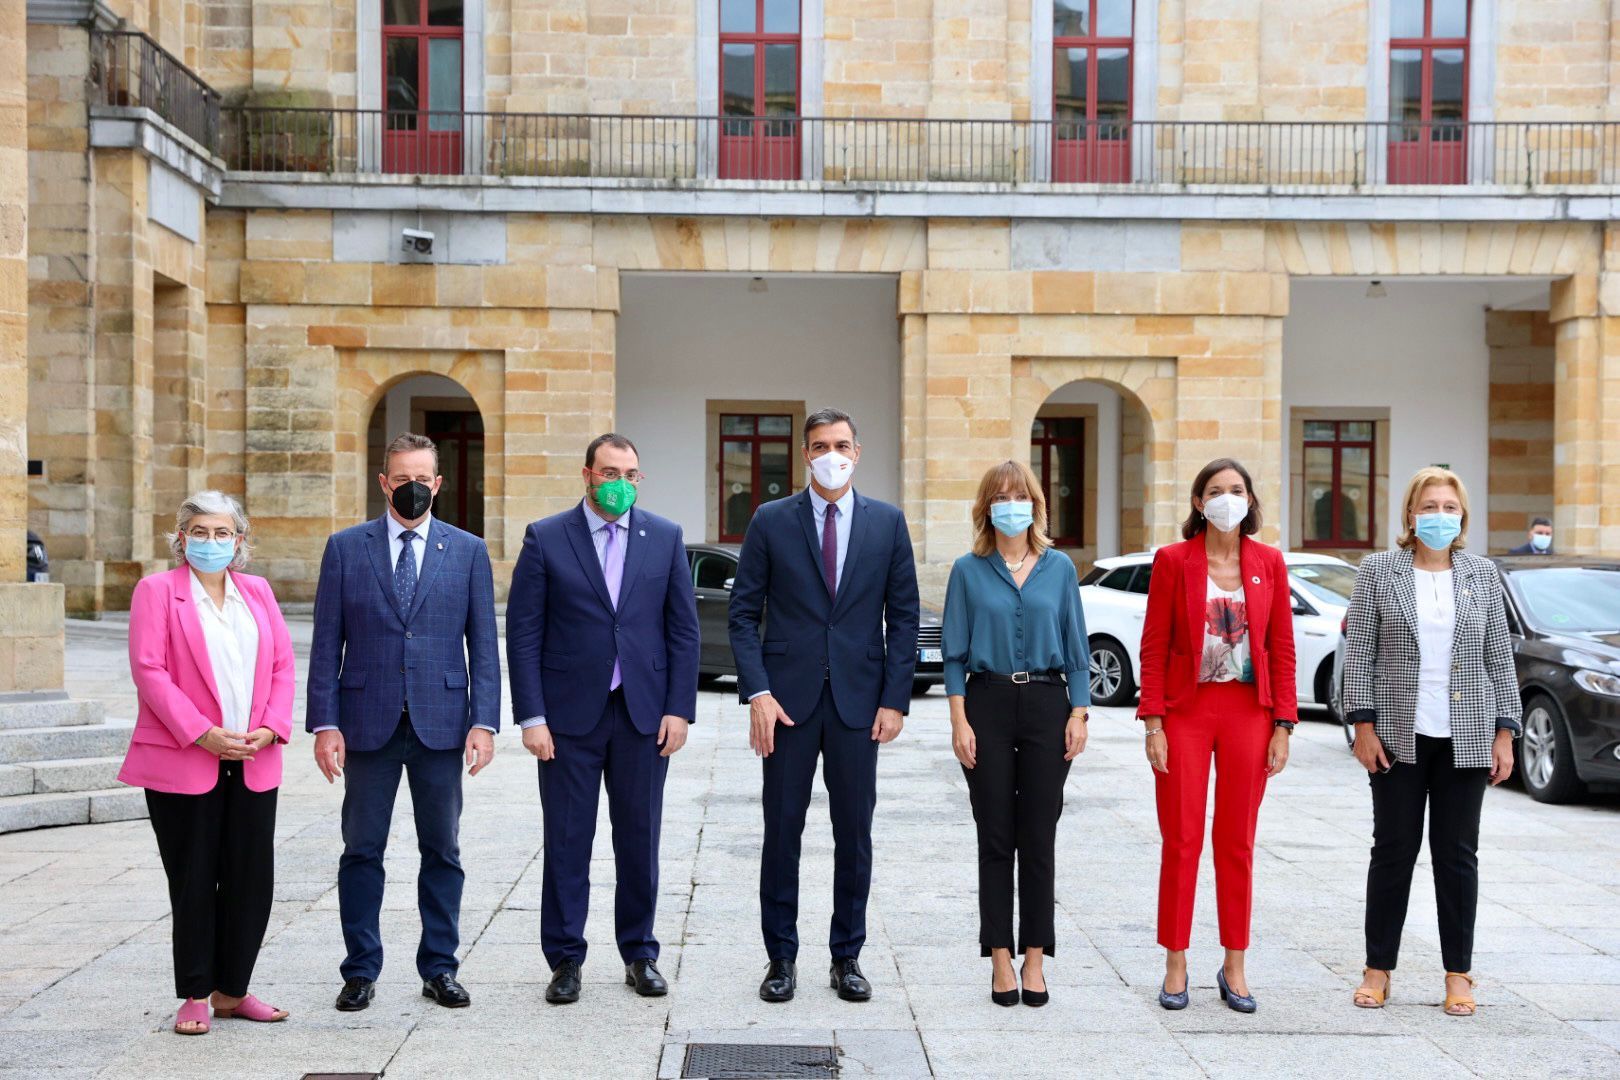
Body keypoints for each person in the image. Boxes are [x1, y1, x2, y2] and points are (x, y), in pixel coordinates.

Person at [729, 407, 920, 1004]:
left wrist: (895, 700)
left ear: (857, 452)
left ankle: (847, 956)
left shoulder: (886, 523)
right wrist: (757, 691)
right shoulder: (771, 519)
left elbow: (905, 616)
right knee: (781, 831)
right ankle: (780, 958)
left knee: (853, 835)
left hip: (859, 705)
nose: (830, 454)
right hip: (786, 704)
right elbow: (743, 614)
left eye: (841, 444)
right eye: (819, 446)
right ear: (805, 455)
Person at [307, 432, 500, 1013]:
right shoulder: (346, 549)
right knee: (362, 850)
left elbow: (484, 646)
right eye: (401, 478)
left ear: (437, 484)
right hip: (366, 724)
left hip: (442, 724)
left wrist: (484, 721)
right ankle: (360, 970)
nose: (412, 487)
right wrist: (324, 723)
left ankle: (439, 968)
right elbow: (325, 645)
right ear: (384, 482)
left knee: (442, 850)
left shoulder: (467, 551)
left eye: (423, 478)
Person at [506, 433, 700, 1005]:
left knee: (639, 839)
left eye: (631, 474)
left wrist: (679, 708)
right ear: (587, 474)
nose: (621, 483)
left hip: (643, 715)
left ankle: (640, 953)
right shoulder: (546, 538)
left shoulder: (663, 537)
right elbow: (523, 632)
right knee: (568, 840)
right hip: (568, 719)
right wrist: (531, 716)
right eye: (610, 471)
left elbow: (682, 630)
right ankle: (565, 959)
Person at [1344, 467, 1520, 1017]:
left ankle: (1458, 974)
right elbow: (1361, 654)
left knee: (1457, 855)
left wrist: (1506, 732)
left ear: (1462, 516)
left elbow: (1499, 657)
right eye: (1429, 506)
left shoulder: (1483, 575)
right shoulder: (1378, 571)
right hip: (1398, 734)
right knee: (1392, 852)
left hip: (1467, 736)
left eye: (1449, 507)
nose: (1439, 516)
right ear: (1410, 514)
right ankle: (1378, 969)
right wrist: (1363, 726)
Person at [121, 492, 294, 1035]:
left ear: (239, 541)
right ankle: (196, 993)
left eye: (222, 533)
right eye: (199, 532)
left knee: (251, 878)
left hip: (253, 756)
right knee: (194, 878)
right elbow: (150, 672)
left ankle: (233, 990)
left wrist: (270, 728)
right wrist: (203, 734)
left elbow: (284, 665)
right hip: (184, 757)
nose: (211, 542)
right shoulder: (156, 592)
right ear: (181, 538)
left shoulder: (258, 592)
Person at [1137, 458, 1296, 1014]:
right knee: (1180, 839)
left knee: (1237, 841)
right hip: (1186, 712)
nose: (1227, 498)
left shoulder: (1269, 563)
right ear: (1198, 503)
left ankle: (1234, 963)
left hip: (1249, 714)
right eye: (1215, 490)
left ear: (1250, 500)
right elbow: (1154, 644)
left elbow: (1283, 646)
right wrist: (1153, 720)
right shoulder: (1173, 561)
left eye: (1237, 489)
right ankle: (1175, 961)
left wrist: (1284, 724)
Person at [942, 461, 1091, 1008]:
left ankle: (1035, 956)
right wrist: (959, 720)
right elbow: (954, 654)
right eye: (1000, 496)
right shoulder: (968, 569)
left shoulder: (1060, 569)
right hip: (987, 703)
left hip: (1050, 705)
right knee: (996, 834)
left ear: (1036, 503)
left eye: (1020, 494)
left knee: (1040, 834)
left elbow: (1077, 650)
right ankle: (999, 956)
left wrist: (1080, 715)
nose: (1011, 504)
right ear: (986, 507)